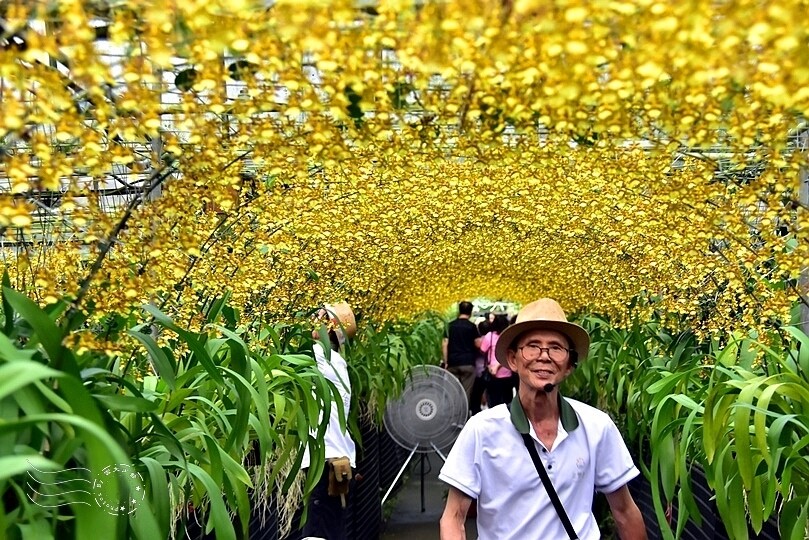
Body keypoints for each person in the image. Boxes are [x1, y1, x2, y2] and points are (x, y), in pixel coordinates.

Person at [439, 298, 647, 540]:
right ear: (513, 359)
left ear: (569, 364)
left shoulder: (596, 426)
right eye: (532, 346)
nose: (544, 356)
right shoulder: (482, 430)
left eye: (556, 348)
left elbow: (624, 510)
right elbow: (453, 517)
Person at [300, 302, 357, 540]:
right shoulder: (336, 361)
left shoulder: (321, 358)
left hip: (325, 459)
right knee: (331, 528)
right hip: (336, 456)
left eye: (320, 316)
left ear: (331, 327)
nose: (314, 318)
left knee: (317, 531)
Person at [442, 300, 481, 412]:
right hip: (468, 363)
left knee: (453, 391)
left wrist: (446, 361)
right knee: (466, 393)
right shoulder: (472, 327)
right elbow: (478, 344)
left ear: (459, 311)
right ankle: (463, 418)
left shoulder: (450, 325)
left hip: (453, 363)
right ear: (471, 312)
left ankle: (453, 417)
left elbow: (445, 343)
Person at [478, 313, 513, 407]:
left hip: (492, 372)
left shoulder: (490, 336)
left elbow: (482, 350)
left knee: (494, 401)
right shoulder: (509, 337)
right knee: (507, 401)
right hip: (507, 372)